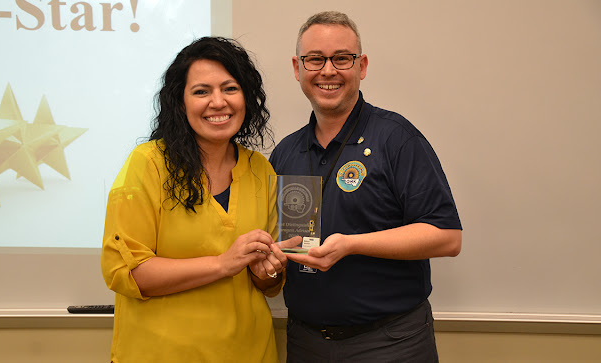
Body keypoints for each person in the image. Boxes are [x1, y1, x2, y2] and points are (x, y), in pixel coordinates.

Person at [269, 11, 463, 362]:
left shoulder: (396, 138)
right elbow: (280, 246)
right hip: (306, 341)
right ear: (298, 69)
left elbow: (447, 237)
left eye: (342, 58)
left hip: (391, 343)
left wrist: (352, 245)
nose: (328, 71)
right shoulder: (285, 153)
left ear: (362, 66)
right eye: (315, 59)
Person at [101, 36, 297, 362]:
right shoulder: (147, 163)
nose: (218, 102)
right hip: (161, 354)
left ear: (247, 98)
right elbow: (128, 273)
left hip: (250, 352)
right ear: (180, 103)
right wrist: (223, 264)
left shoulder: (261, 170)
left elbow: (269, 284)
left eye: (230, 88)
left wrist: (269, 271)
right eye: (201, 91)